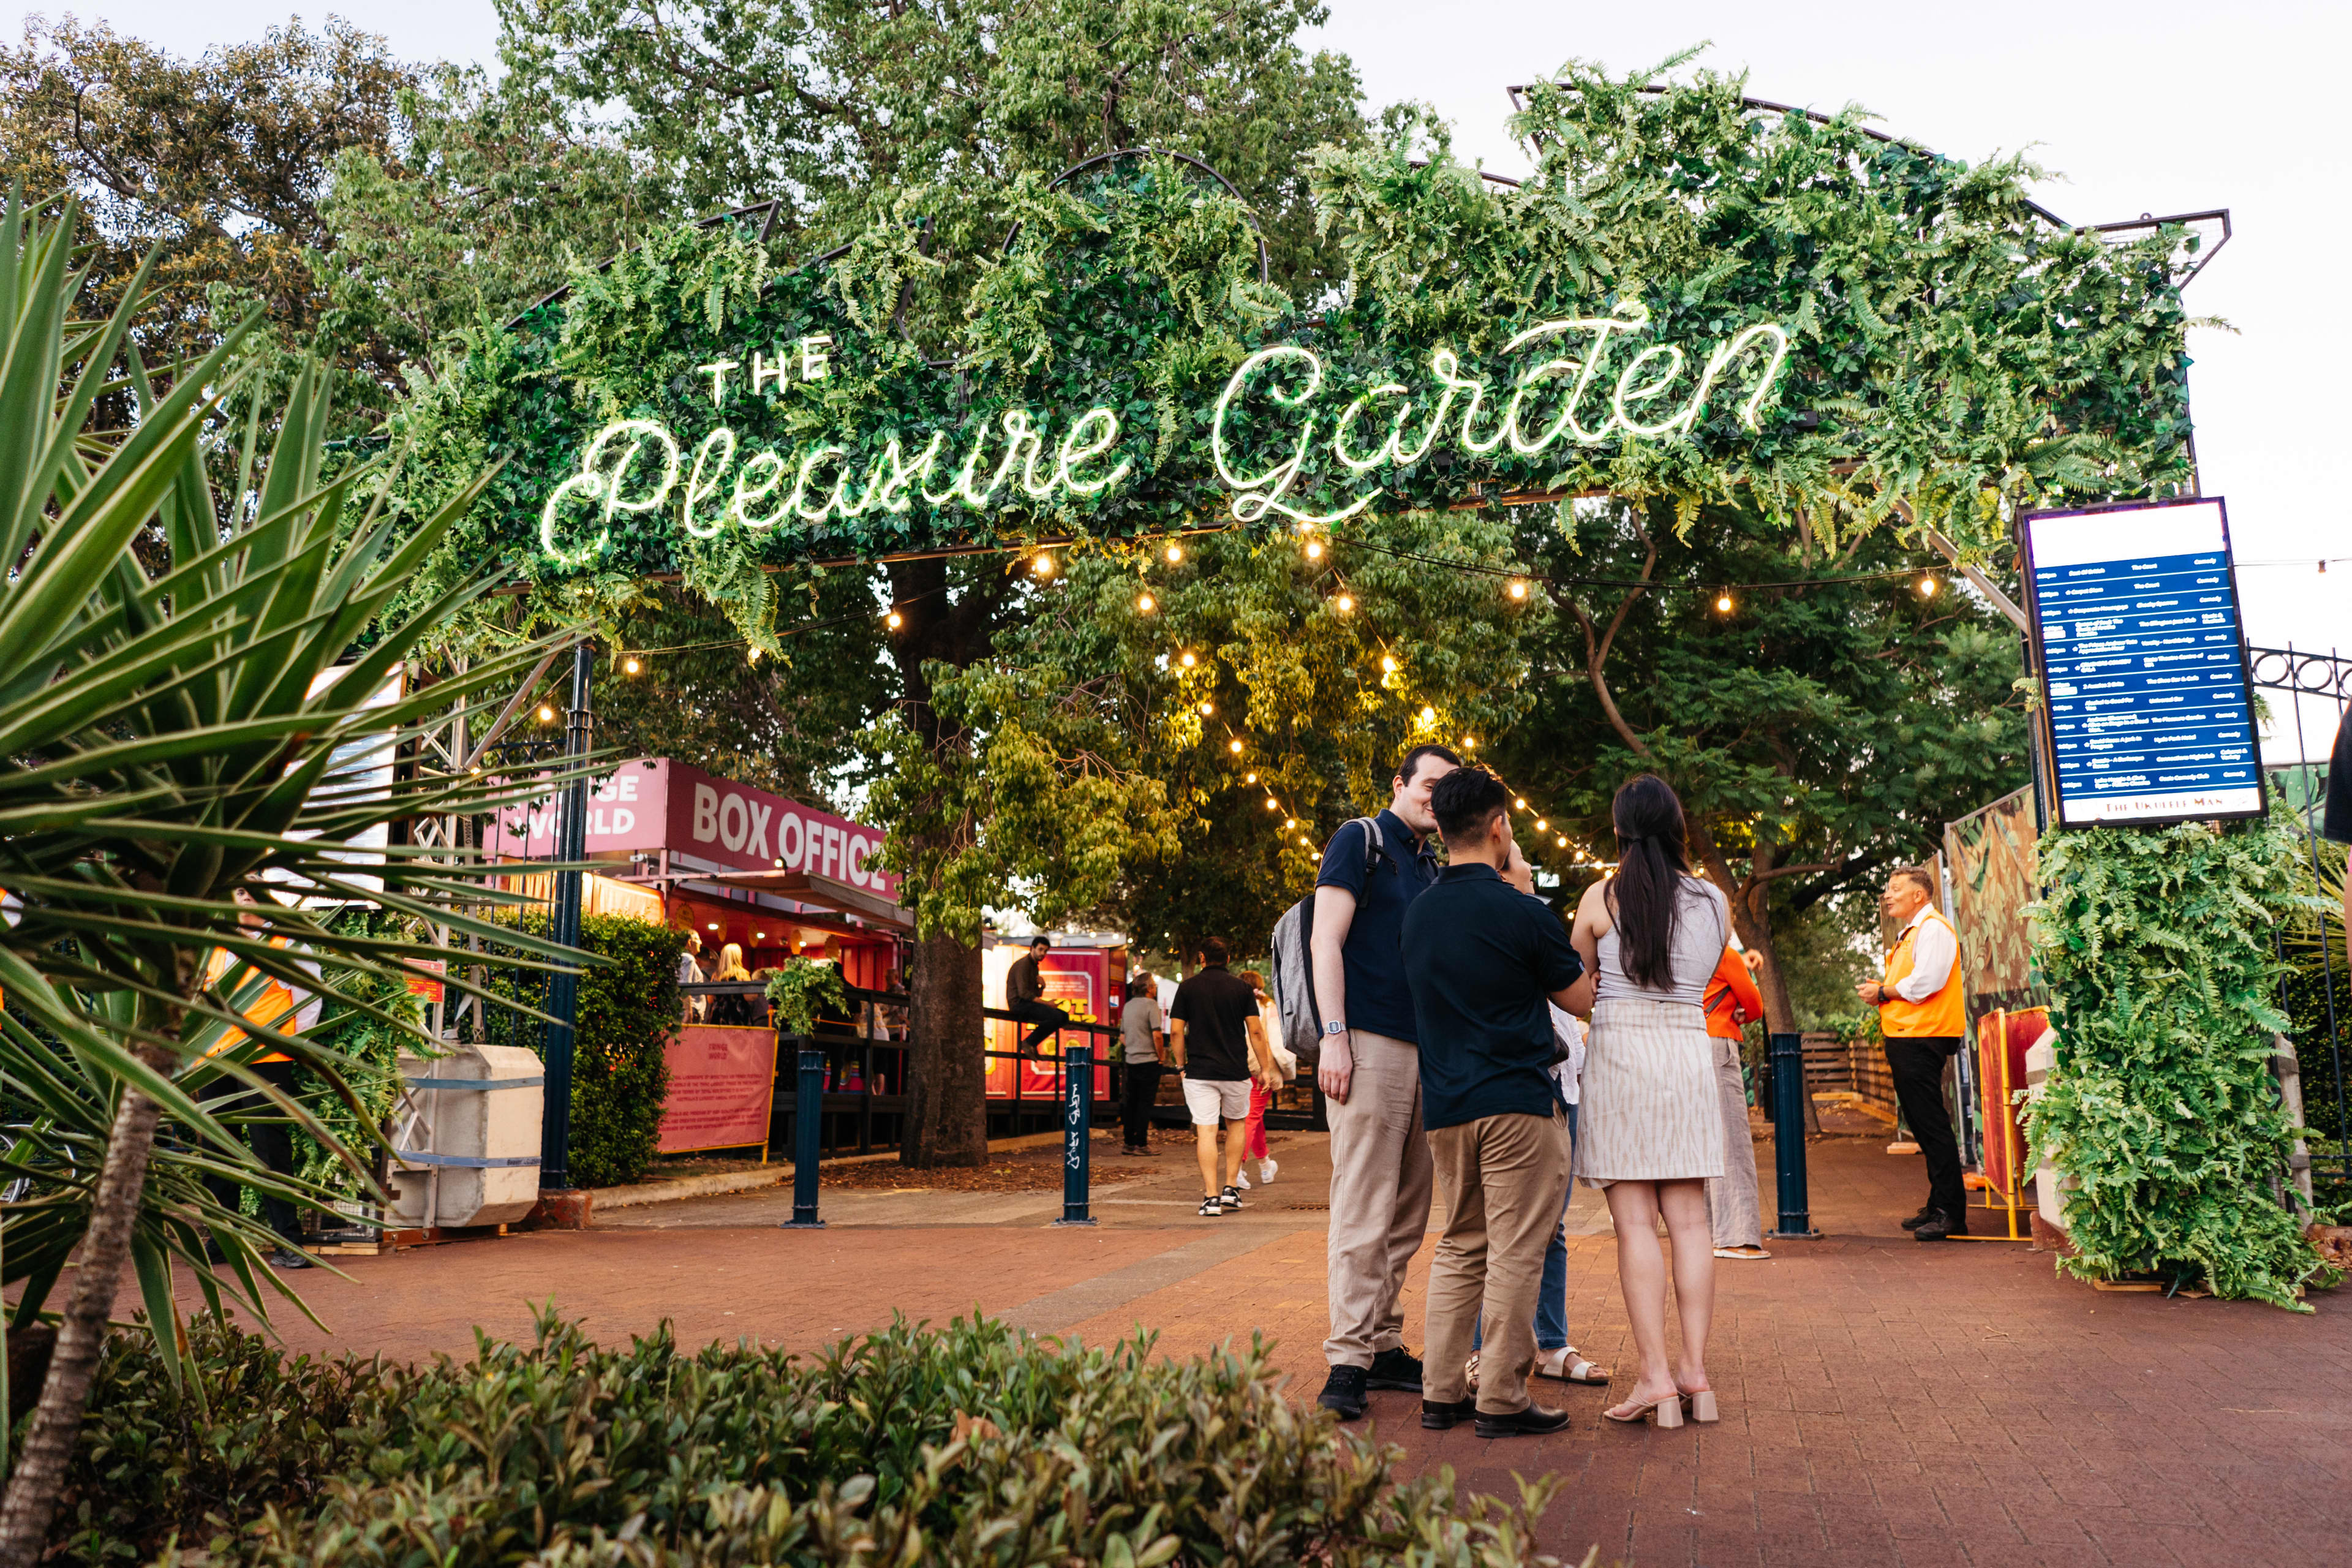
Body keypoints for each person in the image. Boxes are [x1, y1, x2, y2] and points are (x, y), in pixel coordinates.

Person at [1402, 765, 1585, 1437]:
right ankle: (1502, 1396)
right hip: (1517, 1102)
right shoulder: (1521, 911)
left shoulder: (1418, 914)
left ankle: (1441, 1392)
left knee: (1460, 1244)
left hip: (1448, 1105)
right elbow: (1579, 996)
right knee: (1516, 1249)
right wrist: (1531, 899)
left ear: (1442, 828)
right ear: (1499, 827)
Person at [1566, 774, 1731, 1429]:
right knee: (1690, 1223)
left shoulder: (1600, 897)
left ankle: (1655, 1378)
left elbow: (1574, 984)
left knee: (1635, 1225)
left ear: (1619, 829)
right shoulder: (1714, 901)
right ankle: (1695, 1372)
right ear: (1677, 826)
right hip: (1688, 1052)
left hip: (1621, 1057)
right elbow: (1703, 975)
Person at [1309, 742, 1458, 1419]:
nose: (1437, 797)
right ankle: (1347, 1359)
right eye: (1430, 784)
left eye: (1448, 789)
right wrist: (1334, 1037)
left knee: (1406, 1214)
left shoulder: (1432, 866)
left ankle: (1383, 1342)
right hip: (1368, 1045)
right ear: (1400, 783)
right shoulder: (1359, 839)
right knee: (1363, 1207)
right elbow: (1325, 941)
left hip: (1429, 1055)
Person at [1464, 842, 1612, 1395]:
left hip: (1562, 1087)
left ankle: (1551, 1343)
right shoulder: (1500, 923)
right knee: (1495, 1226)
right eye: (1523, 859)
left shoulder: (1537, 920)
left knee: (1553, 1225)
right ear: (1504, 871)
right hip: (1519, 1089)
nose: (1532, 867)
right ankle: (1481, 1350)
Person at [199, 888, 323, 1270]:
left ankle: (289, 1242)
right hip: (214, 1058)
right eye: (238, 890)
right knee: (216, 1149)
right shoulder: (214, 945)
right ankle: (221, 1239)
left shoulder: (288, 944)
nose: (246, 896)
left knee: (269, 1149)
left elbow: (309, 1002)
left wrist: (289, 1045)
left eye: (253, 888)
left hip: (264, 1059)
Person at [1855, 865, 1969, 1240]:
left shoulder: (1933, 929)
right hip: (1909, 1036)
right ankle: (1939, 1204)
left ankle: (1950, 1213)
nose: (1888, 895)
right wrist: (1885, 990)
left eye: (1895, 889)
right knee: (1923, 1124)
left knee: (1931, 1124)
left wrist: (1883, 992)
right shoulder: (1913, 932)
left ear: (1919, 895)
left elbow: (1926, 983)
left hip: (1922, 1036)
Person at [1168, 938, 1279, 1216]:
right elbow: (1256, 1031)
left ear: (1202, 958)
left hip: (1200, 1072)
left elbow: (1176, 1031)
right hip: (1235, 1071)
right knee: (1236, 1125)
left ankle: (1211, 1198)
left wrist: (1180, 1065)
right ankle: (1231, 1188)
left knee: (1206, 1130)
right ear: (1228, 959)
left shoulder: (1187, 988)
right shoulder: (1241, 989)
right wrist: (1265, 1069)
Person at [1702, 944, 1771, 1261]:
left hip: (1687, 1044)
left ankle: (1709, 1231)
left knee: (1703, 1142)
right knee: (1732, 1140)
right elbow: (1754, 1005)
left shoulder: (1682, 949)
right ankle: (1736, 1237)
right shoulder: (1723, 955)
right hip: (1718, 1042)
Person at [1235, 968, 1287, 1187]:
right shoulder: (1268, 1007)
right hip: (1261, 1066)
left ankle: (1265, 1165)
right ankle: (1237, 1167)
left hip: (1239, 1064)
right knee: (1252, 1117)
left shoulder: (1234, 1007)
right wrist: (1285, 1065)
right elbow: (1277, 1040)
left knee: (1254, 1116)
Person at [1118, 973, 1166, 1156]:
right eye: (1153, 985)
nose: (1155, 988)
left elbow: (1122, 1036)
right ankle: (1142, 1144)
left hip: (1132, 1060)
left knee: (1132, 1102)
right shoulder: (1151, 1005)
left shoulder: (1128, 1006)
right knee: (1145, 1103)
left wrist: (1133, 1047)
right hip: (1149, 1060)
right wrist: (1160, 1056)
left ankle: (1128, 1142)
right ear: (1148, 988)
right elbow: (1157, 1035)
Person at [1005, 935, 1069, 1050]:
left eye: (1045, 951)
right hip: (1018, 1004)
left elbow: (1036, 994)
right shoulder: (1024, 965)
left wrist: (1042, 987)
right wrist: (1048, 1004)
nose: (1043, 953)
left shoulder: (1034, 967)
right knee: (1057, 1016)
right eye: (1040, 949)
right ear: (1032, 948)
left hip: (1028, 1004)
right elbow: (1024, 994)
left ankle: (1031, 1044)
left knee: (1064, 1016)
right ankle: (1029, 1043)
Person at [707, 942, 760, 1025]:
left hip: (718, 1017)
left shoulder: (716, 976)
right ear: (737, 957)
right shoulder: (742, 974)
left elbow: (710, 1000)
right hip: (737, 1017)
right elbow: (749, 997)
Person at [678, 930, 709, 1023]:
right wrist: (688, 1012)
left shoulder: (682, 957)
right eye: (697, 939)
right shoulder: (688, 958)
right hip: (692, 1009)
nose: (700, 942)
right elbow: (685, 985)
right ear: (689, 943)